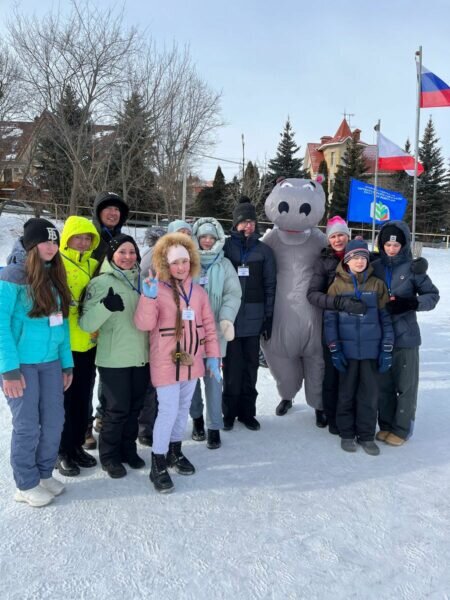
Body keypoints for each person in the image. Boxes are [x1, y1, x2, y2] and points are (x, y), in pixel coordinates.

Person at [134, 233, 220, 493]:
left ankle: (174, 451)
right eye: (175, 263)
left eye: (184, 261)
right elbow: (143, 324)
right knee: (168, 411)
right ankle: (157, 463)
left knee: (183, 410)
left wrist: (213, 356)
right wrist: (147, 298)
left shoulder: (199, 292)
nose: (180, 267)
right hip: (165, 360)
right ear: (165, 264)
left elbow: (209, 327)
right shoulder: (156, 288)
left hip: (192, 360)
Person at [0, 218, 73, 507]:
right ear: (31, 245)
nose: (52, 247)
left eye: (55, 241)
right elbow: (1, 327)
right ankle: (26, 483)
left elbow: (62, 327)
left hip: (51, 364)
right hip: (22, 367)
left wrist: (67, 364)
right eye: (46, 241)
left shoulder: (54, 278)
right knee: (27, 425)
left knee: (55, 422)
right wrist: (9, 370)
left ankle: (44, 474)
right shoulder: (11, 279)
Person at [79, 234, 149, 479]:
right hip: (114, 359)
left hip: (141, 356)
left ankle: (128, 449)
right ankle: (109, 455)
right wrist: (105, 306)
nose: (128, 257)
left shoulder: (144, 280)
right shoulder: (100, 283)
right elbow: (86, 324)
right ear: (111, 255)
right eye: (122, 252)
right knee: (116, 410)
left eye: (132, 252)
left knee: (134, 409)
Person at [371, 221, 439, 446]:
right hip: (381, 337)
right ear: (381, 244)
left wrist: (410, 303)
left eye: (396, 245)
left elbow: (432, 296)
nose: (391, 249)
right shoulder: (375, 266)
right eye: (387, 245)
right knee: (384, 386)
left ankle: (401, 429)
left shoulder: (413, 268)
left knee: (406, 386)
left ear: (404, 245)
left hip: (406, 337)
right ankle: (387, 425)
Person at [324, 239, 394, 456]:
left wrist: (387, 348)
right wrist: (334, 348)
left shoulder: (377, 285)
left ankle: (366, 435)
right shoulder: (337, 285)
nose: (360, 261)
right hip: (347, 352)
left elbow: (386, 319)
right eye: (355, 258)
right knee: (345, 394)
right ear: (347, 260)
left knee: (369, 396)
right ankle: (346, 433)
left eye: (363, 257)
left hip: (371, 353)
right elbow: (329, 320)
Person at [307, 216, 367, 434]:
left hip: (360, 327)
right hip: (333, 325)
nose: (338, 239)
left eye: (341, 234)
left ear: (348, 235)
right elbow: (312, 295)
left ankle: (353, 415)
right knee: (332, 371)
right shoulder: (324, 261)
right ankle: (330, 414)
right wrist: (338, 303)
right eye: (333, 236)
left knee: (354, 374)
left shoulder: (363, 257)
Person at [222, 197, 276, 431]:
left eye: (252, 221)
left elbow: (270, 285)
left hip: (253, 321)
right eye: (244, 222)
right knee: (231, 370)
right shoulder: (224, 248)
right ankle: (228, 413)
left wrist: (268, 317)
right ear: (235, 224)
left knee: (250, 369)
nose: (248, 226)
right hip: (230, 320)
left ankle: (247, 413)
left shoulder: (264, 251)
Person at [190, 217, 242, 449]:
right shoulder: (188, 262)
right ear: (197, 238)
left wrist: (226, 318)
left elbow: (233, 293)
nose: (208, 241)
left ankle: (214, 426)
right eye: (204, 237)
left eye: (211, 237)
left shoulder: (225, 265)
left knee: (213, 381)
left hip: (214, 335)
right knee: (190, 382)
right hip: (190, 336)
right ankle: (197, 420)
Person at [56, 216, 100, 476]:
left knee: (83, 399)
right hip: (63, 346)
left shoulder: (95, 264)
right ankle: (62, 451)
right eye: (79, 237)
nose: (83, 242)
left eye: (88, 238)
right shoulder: (56, 263)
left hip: (89, 343)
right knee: (63, 401)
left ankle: (76, 446)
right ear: (68, 237)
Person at [87, 191, 130, 441]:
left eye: (117, 210)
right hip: (89, 314)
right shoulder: (90, 239)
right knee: (85, 375)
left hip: (113, 314)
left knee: (109, 369)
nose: (113, 213)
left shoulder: (124, 239)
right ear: (98, 212)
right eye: (108, 209)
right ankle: (83, 424)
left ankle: (104, 415)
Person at [137, 225, 166, 447]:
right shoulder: (153, 260)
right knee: (151, 383)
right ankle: (146, 427)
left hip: (160, 327)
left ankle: (149, 424)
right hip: (153, 328)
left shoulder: (156, 257)